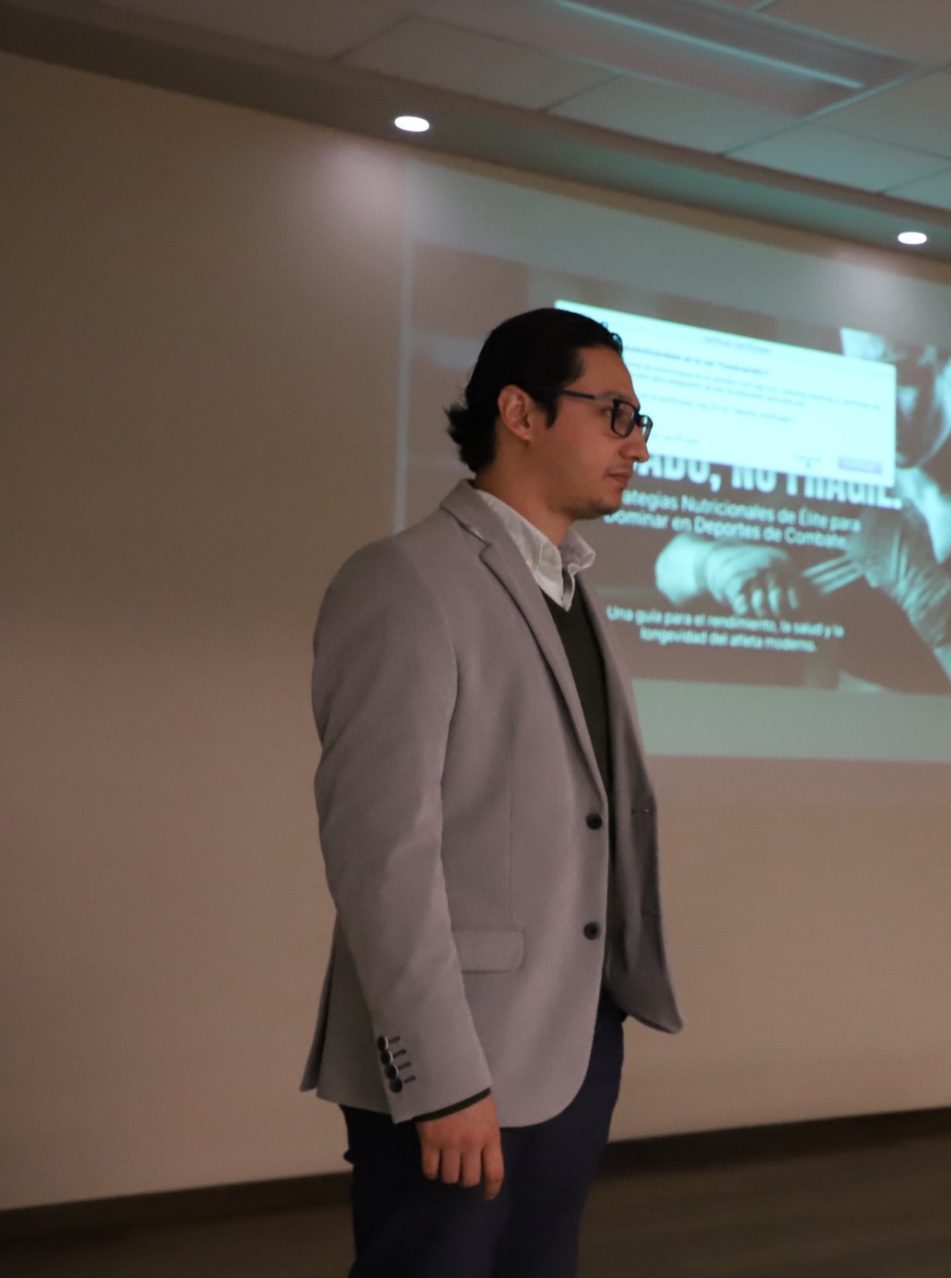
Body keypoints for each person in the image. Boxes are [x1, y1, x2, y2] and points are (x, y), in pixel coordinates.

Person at [302, 307, 680, 1277]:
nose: (636, 445)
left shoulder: (574, 591)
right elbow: (382, 853)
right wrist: (440, 1076)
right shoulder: (405, 580)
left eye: (638, 421)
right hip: (460, 1057)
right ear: (520, 412)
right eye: (614, 413)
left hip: (574, 1036)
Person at [647, 329, 951, 692]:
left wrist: (930, 596)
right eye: (860, 381)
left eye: (900, 376)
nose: (879, 410)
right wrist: (714, 565)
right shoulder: (836, 484)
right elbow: (669, 570)